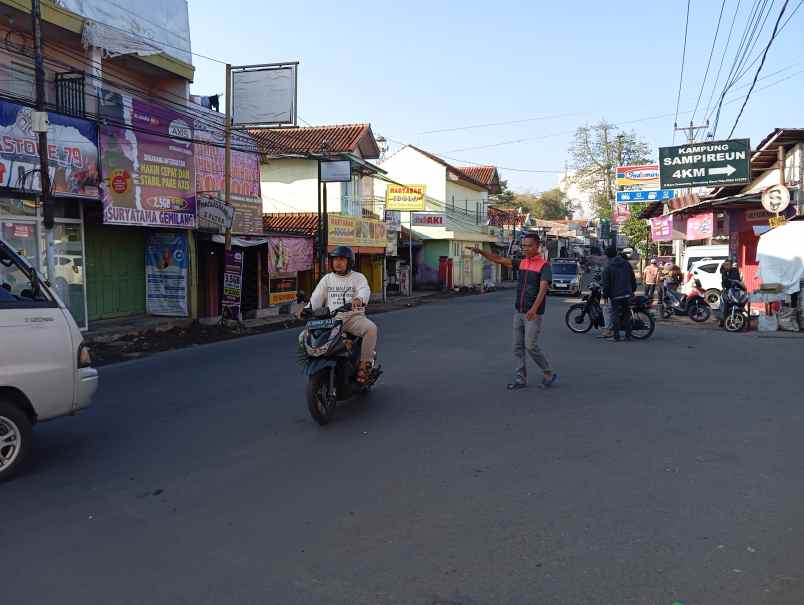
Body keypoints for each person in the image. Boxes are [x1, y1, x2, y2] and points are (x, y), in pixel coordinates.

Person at [468, 234, 558, 390]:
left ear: (537, 247)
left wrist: (534, 309)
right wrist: (482, 252)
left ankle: (548, 372)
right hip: (519, 311)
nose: (525, 248)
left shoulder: (544, 266)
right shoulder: (522, 263)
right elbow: (500, 260)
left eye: (529, 245)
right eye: (523, 246)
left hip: (533, 313)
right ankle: (520, 379)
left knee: (530, 346)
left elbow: (543, 289)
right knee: (517, 346)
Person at [304, 246, 378, 383]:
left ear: (349, 262)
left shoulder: (358, 277)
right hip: (331, 321)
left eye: (342, 259)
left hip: (352, 318)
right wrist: (307, 309)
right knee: (304, 335)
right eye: (335, 259)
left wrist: (359, 299)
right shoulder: (327, 279)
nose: (338, 262)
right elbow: (317, 297)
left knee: (371, 329)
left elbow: (364, 290)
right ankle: (312, 361)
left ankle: (364, 365)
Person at [602, 245, 637, 341]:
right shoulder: (626, 263)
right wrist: (632, 290)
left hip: (615, 295)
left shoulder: (608, 267)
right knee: (627, 314)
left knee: (615, 314)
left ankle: (616, 336)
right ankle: (628, 336)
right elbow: (632, 278)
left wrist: (605, 295)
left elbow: (606, 284)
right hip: (627, 293)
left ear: (607, 256)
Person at [718, 258, 744, 327]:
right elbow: (724, 281)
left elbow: (737, 280)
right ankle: (722, 320)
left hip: (735, 290)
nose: (727, 266)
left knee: (739, 302)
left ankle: (737, 316)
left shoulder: (734, 270)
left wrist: (733, 282)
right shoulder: (723, 270)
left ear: (731, 265)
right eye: (726, 264)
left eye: (728, 264)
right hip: (727, 289)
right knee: (723, 303)